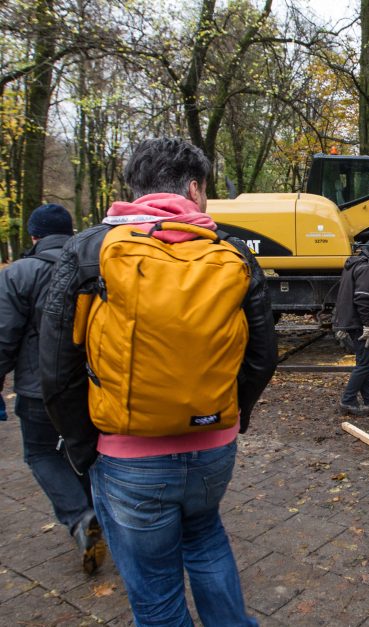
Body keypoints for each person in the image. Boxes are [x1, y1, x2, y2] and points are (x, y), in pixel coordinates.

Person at [40, 139, 277, 625]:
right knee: (207, 541)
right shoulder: (230, 253)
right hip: (214, 447)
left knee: (156, 591)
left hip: (127, 456)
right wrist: (232, 418)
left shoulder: (89, 251)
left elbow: (57, 368)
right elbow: (262, 356)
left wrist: (84, 449)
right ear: (194, 188)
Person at [0, 203, 106, 575]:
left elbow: (4, 336)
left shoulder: (19, 273)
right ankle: (103, 516)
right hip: (90, 384)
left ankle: (80, 517)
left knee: (41, 454)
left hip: (37, 387)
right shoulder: (94, 265)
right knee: (84, 450)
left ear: (33, 236)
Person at [334, 235, 369, 415]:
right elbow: (362, 298)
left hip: (352, 320)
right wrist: (367, 325)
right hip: (359, 323)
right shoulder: (367, 269)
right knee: (366, 362)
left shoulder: (356, 263)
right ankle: (348, 400)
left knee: (364, 361)